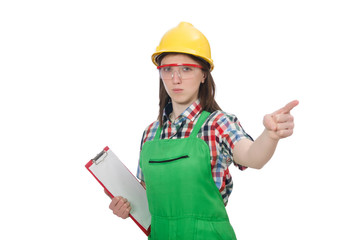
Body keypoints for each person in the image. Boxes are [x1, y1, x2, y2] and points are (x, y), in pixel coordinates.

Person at [108, 22, 298, 239]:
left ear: (204, 75)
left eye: (186, 69)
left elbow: (252, 156)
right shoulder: (151, 133)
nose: (175, 79)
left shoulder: (217, 124)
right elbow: (145, 197)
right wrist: (125, 206)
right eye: (167, 69)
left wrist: (270, 135)